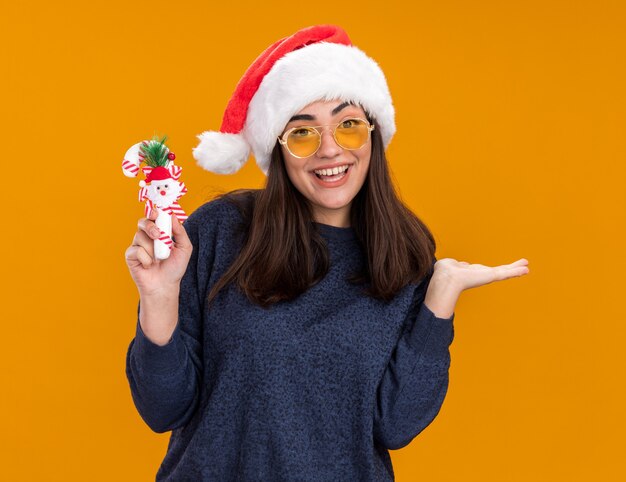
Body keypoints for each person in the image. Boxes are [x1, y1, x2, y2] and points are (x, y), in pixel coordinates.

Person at [124, 24, 529, 481]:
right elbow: (163, 409)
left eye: (348, 125)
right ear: (278, 149)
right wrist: (158, 298)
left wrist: (440, 299)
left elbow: (394, 426)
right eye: (302, 133)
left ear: (373, 133)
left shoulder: (405, 252)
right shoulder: (221, 231)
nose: (330, 149)